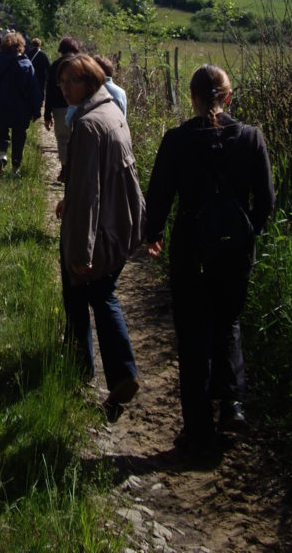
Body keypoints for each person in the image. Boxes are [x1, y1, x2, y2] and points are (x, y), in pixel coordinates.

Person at [145, 64, 274, 456]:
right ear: (228, 97)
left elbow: (160, 196)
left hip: (191, 249)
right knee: (228, 321)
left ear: (194, 98)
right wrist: (248, 232)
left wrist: (154, 233)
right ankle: (232, 404)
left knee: (192, 333)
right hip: (235, 250)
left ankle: (197, 427)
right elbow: (266, 201)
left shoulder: (177, 140)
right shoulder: (252, 138)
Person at [55, 54, 144, 420]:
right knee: (90, 295)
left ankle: (113, 374)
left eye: (69, 82)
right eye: (61, 83)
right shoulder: (111, 110)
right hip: (116, 223)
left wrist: (82, 249)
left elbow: (91, 192)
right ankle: (86, 372)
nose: (63, 89)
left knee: (92, 294)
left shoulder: (89, 124)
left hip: (99, 228)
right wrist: (68, 196)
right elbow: (97, 178)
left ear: (88, 82)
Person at [0, 31, 42, 176]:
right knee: (19, 136)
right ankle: (15, 167)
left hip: (0, 104)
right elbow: (34, 90)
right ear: (21, 46)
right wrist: (36, 110)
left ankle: (2, 154)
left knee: (1, 132)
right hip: (21, 108)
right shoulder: (26, 64)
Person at [44, 36, 82, 182]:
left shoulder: (55, 66)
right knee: (78, 139)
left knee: (62, 138)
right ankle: (76, 169)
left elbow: (50, 91)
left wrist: (47, 115)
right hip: (79, 107)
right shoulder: (81, 65)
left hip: (59, 108)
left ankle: (65, 168)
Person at [27, 37, 51, 101]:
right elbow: (48, 67)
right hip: (41, 77)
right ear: (40, 45)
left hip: (31, 77)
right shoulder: (43, 54)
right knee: (40, 93)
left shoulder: (28, 54)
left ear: (32, 45)